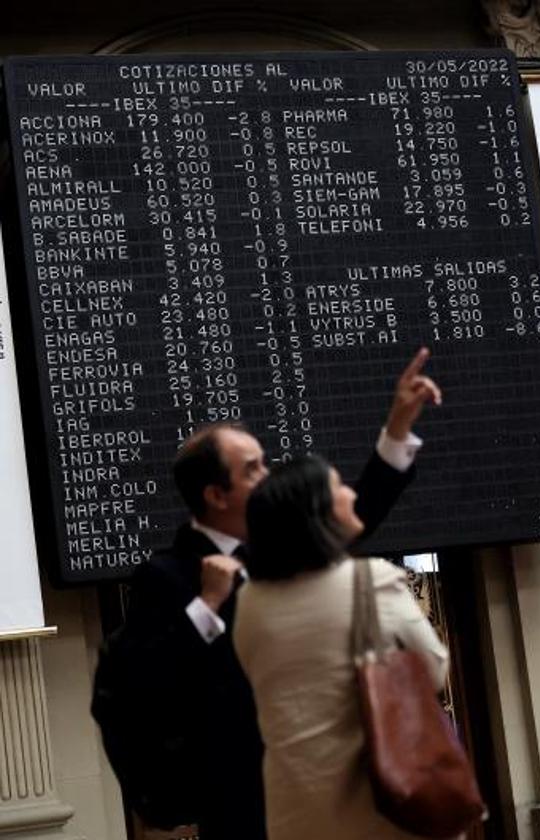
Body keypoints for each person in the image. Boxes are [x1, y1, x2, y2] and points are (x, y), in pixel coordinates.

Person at [101, 348, 442, 839]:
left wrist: (397, 428)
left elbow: (355, 514)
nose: (268, 476)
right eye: (253, 469)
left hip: (326, 782)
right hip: (241, 796)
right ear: (216, 496)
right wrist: (206, 605)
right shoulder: (168, 575)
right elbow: (147, 678)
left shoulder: (281, 549)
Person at [233, 456, 451, 840]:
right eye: (338, 488)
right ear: (316, 514)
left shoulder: (249, 602)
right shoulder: (371, 581)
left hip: (292, 814)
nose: (351, 494)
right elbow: (434, 668)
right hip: (377, 808)